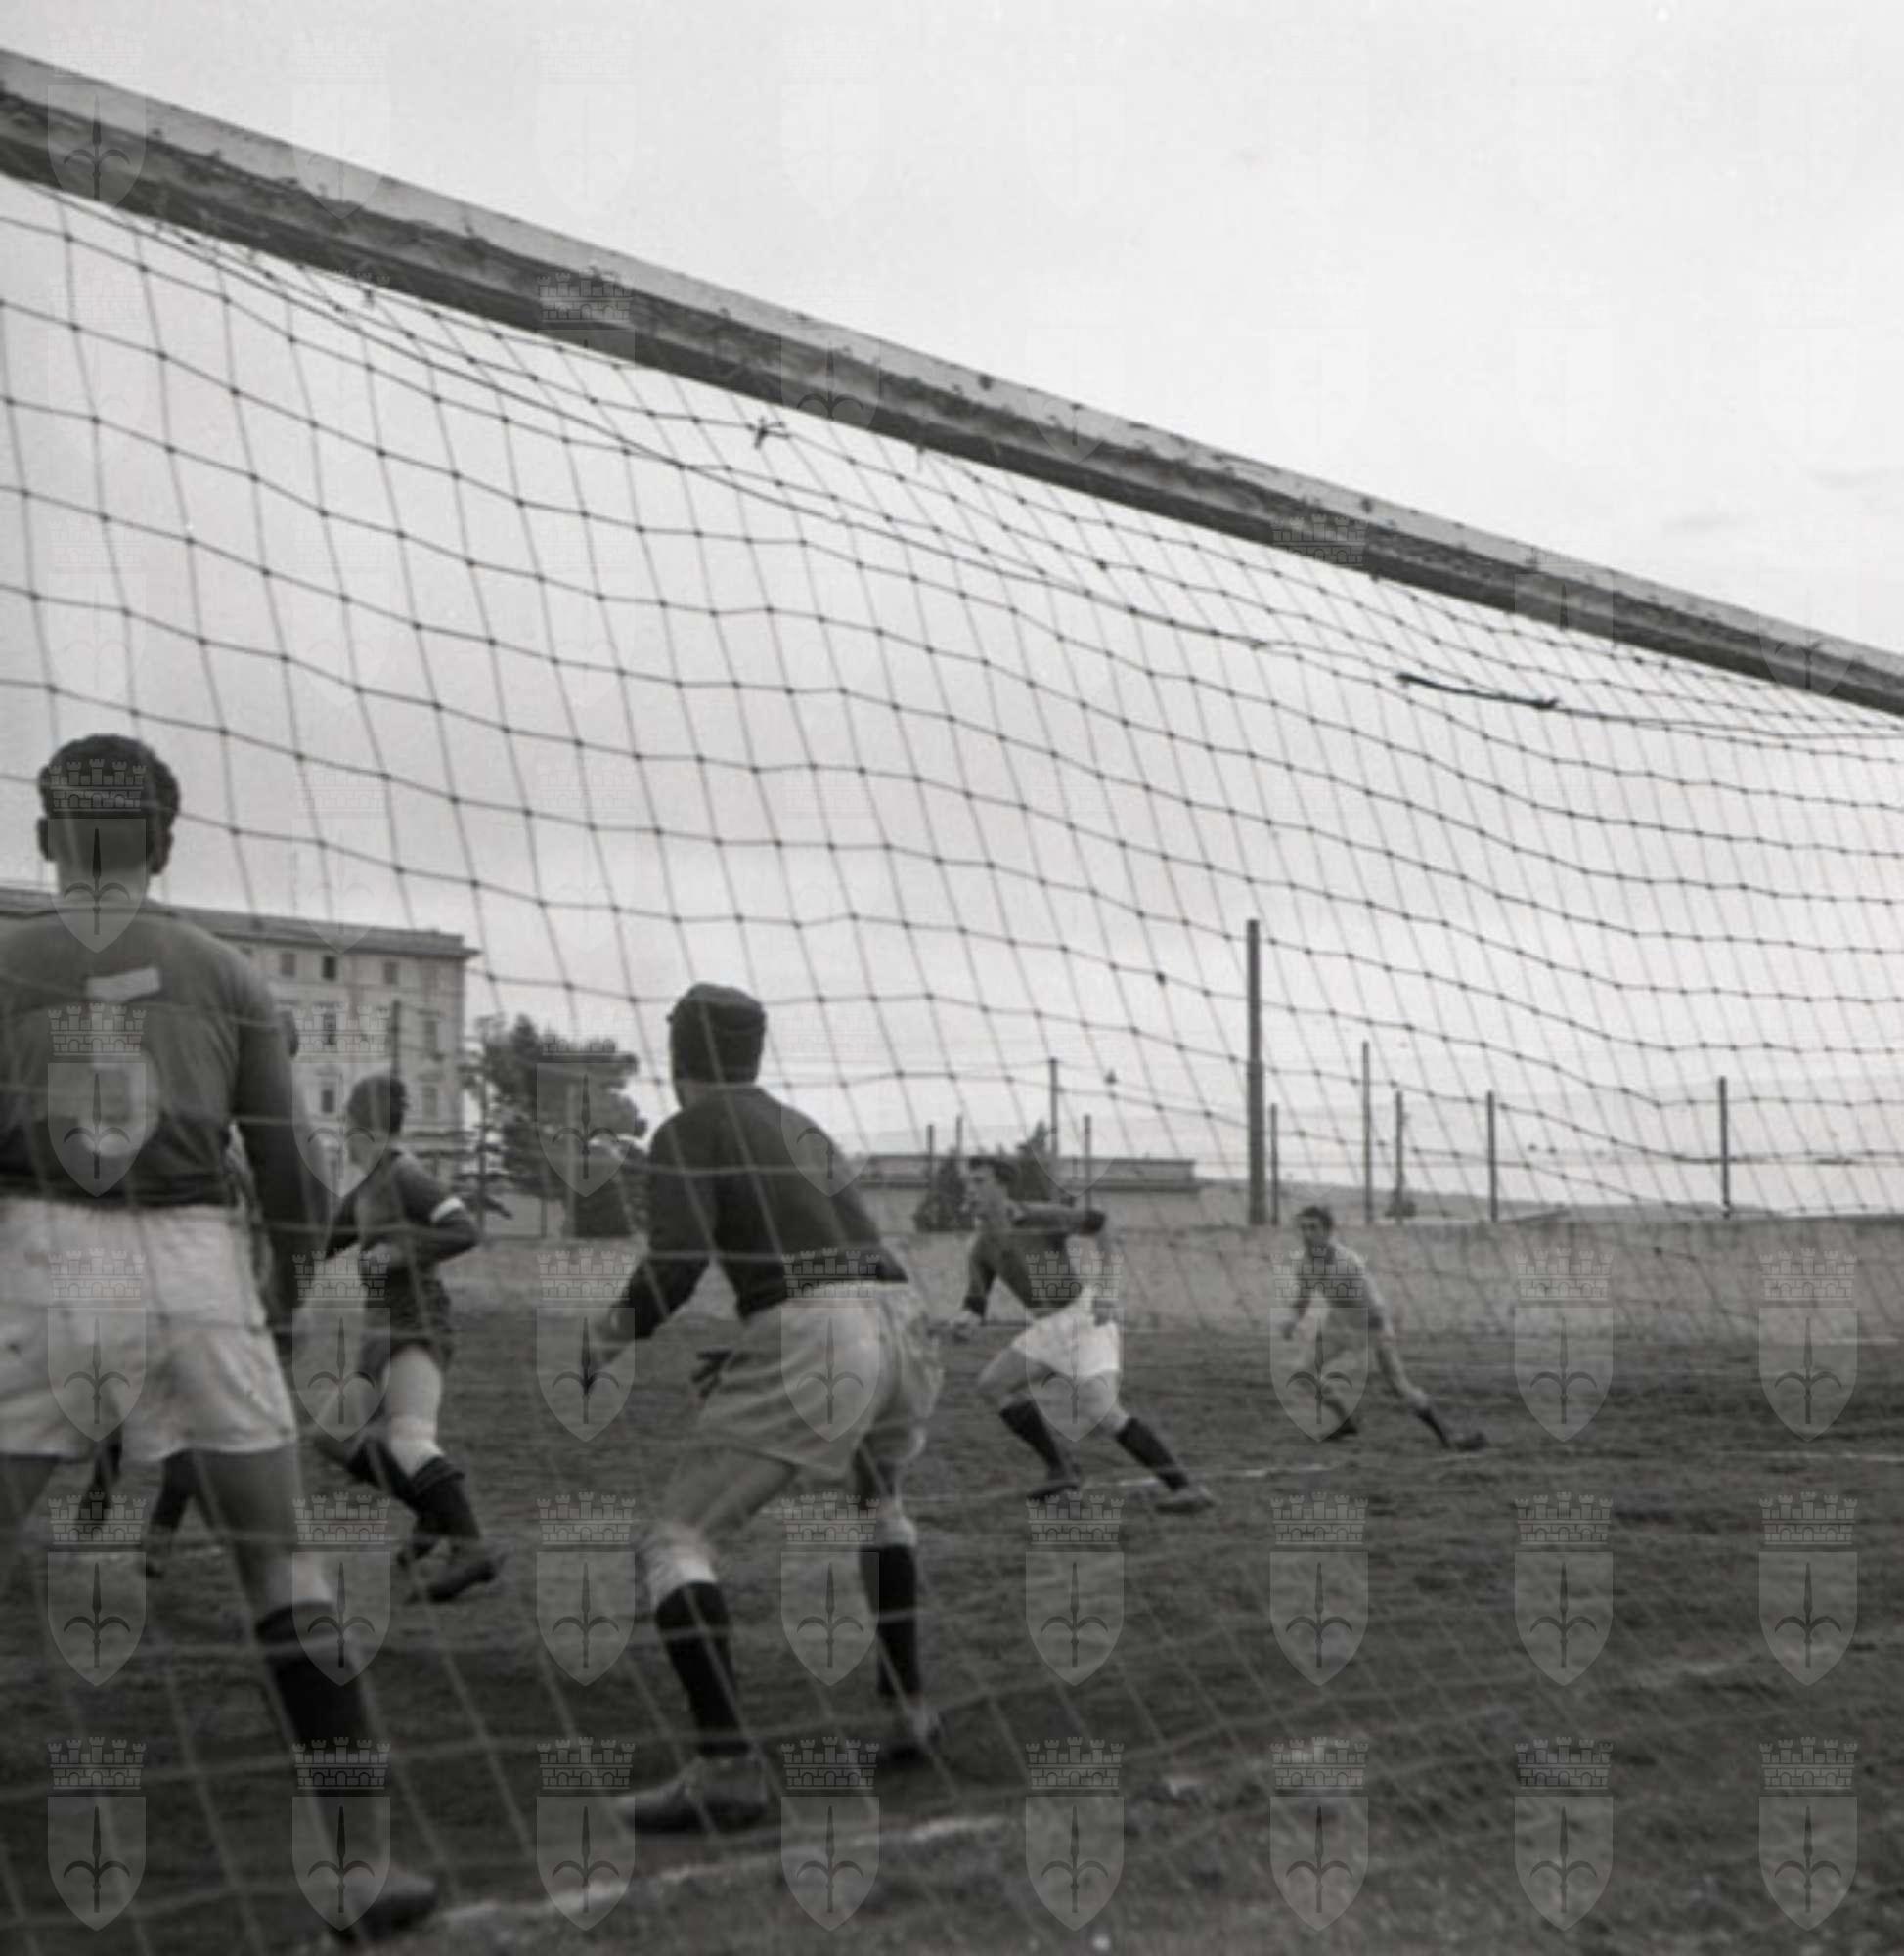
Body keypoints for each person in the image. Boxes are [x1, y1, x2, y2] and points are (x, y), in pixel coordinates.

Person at [0, 733, 435, 1939]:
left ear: (44, 835)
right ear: (165, 841)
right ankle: (357, 1870)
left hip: (38, 1248)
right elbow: (290, 1173)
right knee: (282, 1563)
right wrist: (283, 1302)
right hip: (194, 1258)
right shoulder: (228, 973)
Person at [590, 983, 944, 1833]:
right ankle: (908, 1707)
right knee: (879, 1504)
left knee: (678, 1540)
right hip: (901, 1323)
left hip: (819, 1332)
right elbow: (839, 1251)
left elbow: (677, 1261)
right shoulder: (802, 1126)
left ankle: (726, 1770)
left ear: (679, 1054)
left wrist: (606, 1337)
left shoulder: (688, 1129)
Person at [79, 1004, 303, 1578]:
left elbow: (273, 1221)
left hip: (216, 1294)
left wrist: (270, 1290)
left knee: (197, 1415)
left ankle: (154, 1531)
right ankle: (107, 1486)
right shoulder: (197, 1125)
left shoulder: (255, 1143)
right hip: (164, 1279)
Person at [307, 1072, 497, 1602]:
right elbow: (320, 1242)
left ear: (364, 1128)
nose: (345, 1138)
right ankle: (432, 1513)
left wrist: (399, 1252)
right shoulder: (367, 1190)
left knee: (410, 1439)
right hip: (381, 1332)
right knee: (331, 1437)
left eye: (347, 1125)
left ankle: (472, 1548)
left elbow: (464, 1230)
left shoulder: (406, 1175)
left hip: (416, 1323)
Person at [961, 1156, 1213, 1512]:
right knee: (992, 1385)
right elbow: (975, 1303)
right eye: (968, 1183)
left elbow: (1103, 1224)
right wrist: (964, 1322)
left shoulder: (1040, 1217)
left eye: (979, 1181)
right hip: (1046, 1328)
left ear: (1002, 1186)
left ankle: (1186, 1488)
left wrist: (1107, 1291)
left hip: (1083, 1319)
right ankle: (1062, 1468)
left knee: (1102, 1411)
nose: (970, 1190)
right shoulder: (980, 1245)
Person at [1281, 1205, 1486, 1451]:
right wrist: (1292, 1320)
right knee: (1302, 1371)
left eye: (1313, 1227)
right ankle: (1346, 1420)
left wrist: (1382, 1333)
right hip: (1338, 1323)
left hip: (1369, 1323)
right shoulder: (1303, 1263)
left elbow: (1373, 1301)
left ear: (1328, 1231)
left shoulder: (1348, 1262)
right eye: (1303, 1228)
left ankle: (1447, 1435)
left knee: (1398, 1384)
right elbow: (1303, 1298)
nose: (1307, 1233)